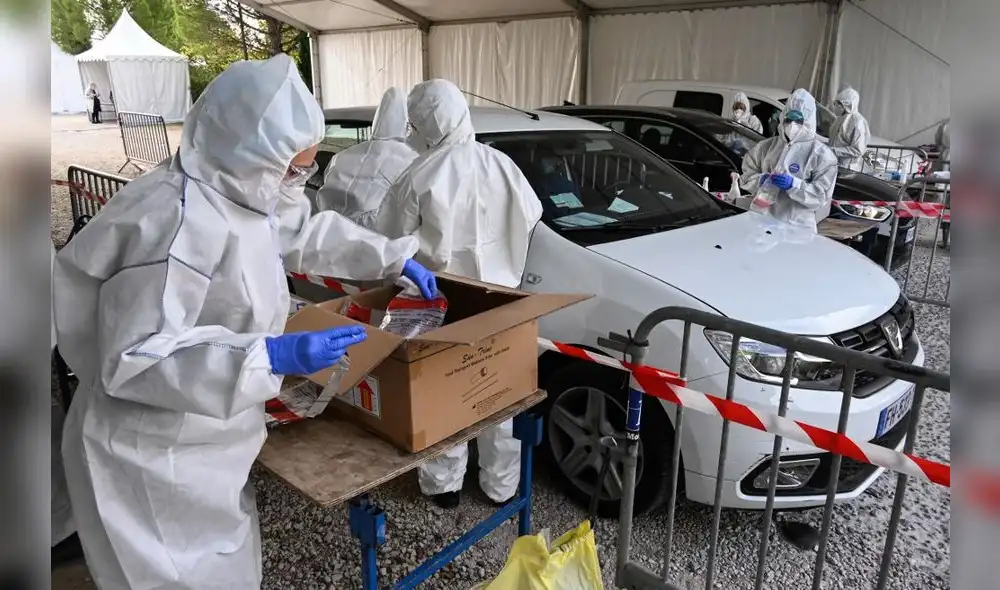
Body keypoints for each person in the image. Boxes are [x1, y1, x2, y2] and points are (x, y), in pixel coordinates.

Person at [52, 54, 437, 590]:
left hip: (207, 439)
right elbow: (137, 357)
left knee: (224, 566)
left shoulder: (237, 188)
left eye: (304, 167)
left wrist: (392, 258)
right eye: (291, 168)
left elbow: (301, 230)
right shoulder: (172, 224)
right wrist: (270, 356)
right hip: (147, 453)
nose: (297, 180)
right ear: (251, 153)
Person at [376, 79, 543, 509]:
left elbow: (390, 238)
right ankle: (501, 488)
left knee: (444, 394)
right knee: (499, 394)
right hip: (502, 301)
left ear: (428, 124)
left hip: (440, 302)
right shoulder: (502, 164)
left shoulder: (418, 174)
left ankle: (444, 486)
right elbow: (532, 213)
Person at [316, 87, 418, 228]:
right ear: (407, 126)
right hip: (378, 243)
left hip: (334, 236)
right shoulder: (412, 160)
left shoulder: (341, 157)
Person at [740, 88, 838, 233]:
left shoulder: (822, 155)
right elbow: (747, 172)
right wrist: (759, 180)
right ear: (782, 117)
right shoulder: (766, 147)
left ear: (809, 120)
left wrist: (794, 185)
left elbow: (820, 196)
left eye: (799, 120)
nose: (792, 124)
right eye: (789, 119)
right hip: (761, 220)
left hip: (797, 226)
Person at [828, 87, 871, 170]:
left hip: (847, 167)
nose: (835, 107)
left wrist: (834, 150)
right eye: (835, 104)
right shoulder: (839, 119)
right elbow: (834, 140)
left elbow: (857, 150)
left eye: (838, 104)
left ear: (847, 105)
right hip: (833, 163)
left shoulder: (857, 122)